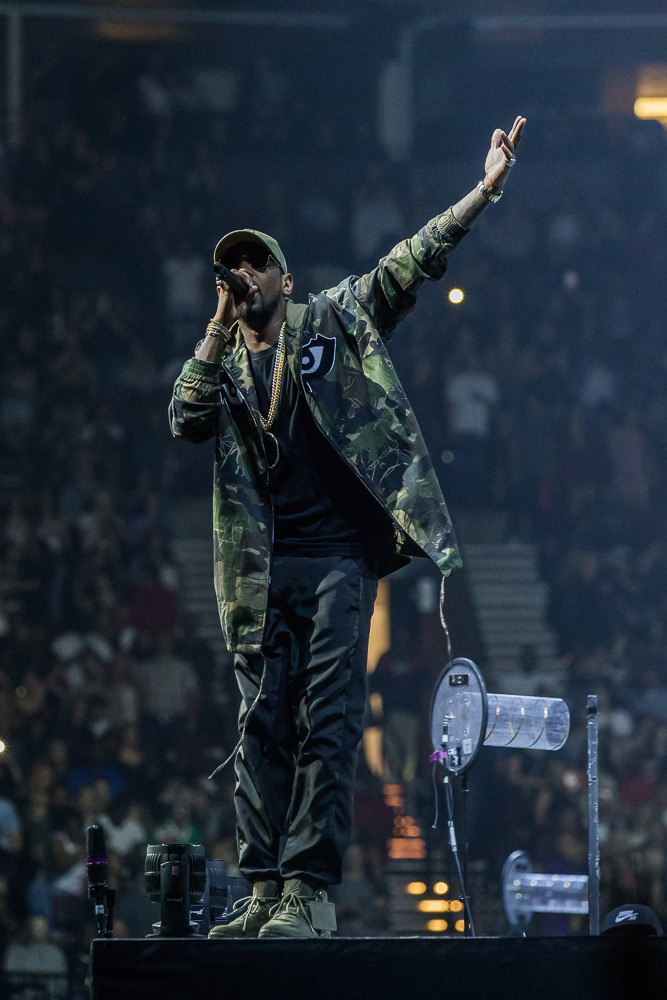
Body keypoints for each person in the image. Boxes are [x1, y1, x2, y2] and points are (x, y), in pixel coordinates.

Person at [169, 117, 526, 939]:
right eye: (233, 266)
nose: (243, 273)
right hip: (259, 571)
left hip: (334, 557)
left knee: (325, 723)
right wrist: (217, 328)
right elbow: (183, 420)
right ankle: (262, 884)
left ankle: (309, 892)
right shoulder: (219, 364)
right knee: (262, 724)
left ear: (286, 281)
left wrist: (481, 192)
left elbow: (409, 262)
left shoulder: (330, 320)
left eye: (256, 262)